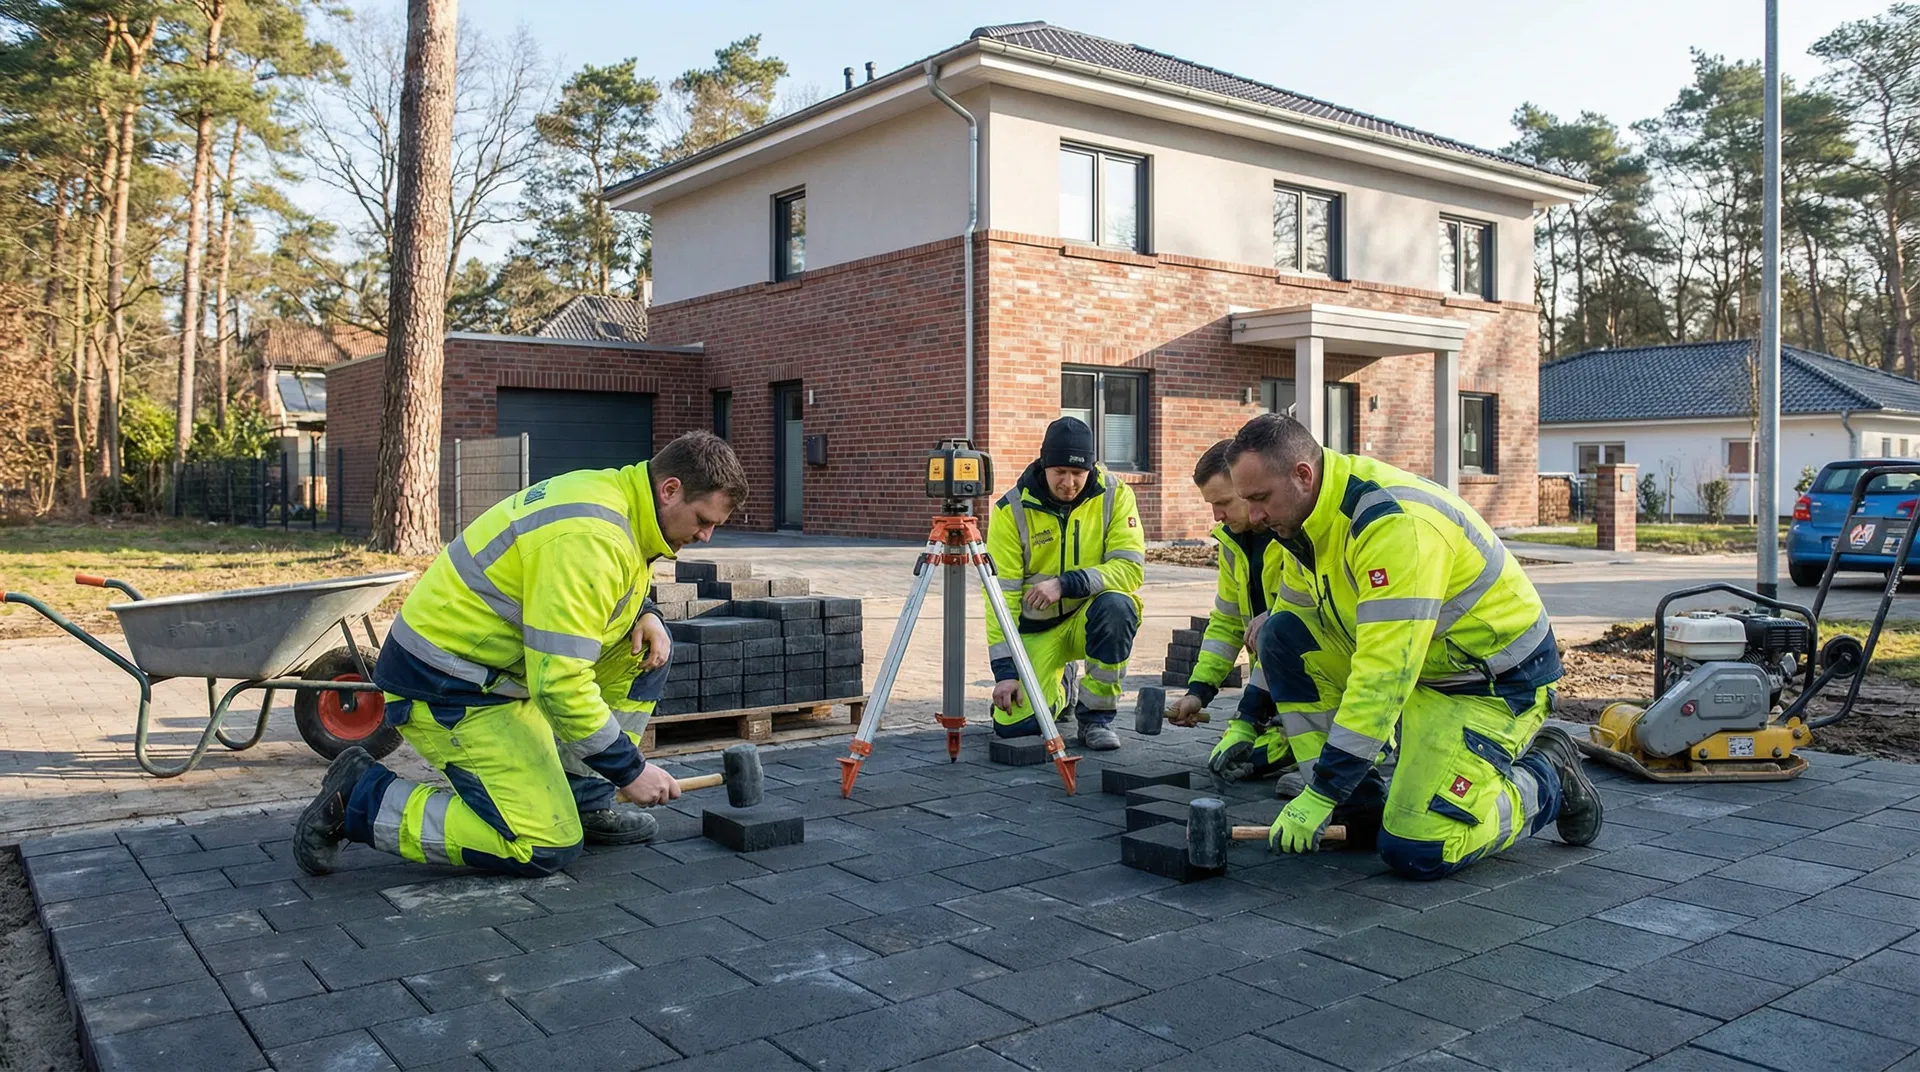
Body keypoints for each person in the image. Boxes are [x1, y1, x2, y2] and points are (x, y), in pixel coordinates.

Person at [292, 431, 749, 877]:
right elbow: (560, 681)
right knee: (545, 845)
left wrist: (643, 611)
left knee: (647, 651)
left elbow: (591, 591)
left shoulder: (621, 499)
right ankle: (360, 799)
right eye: (704, 520)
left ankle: (583, 801)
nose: (707, 535)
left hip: (497, 670)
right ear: (670, 490)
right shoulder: (591, 536)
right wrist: (631, 772)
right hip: (447, 685)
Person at [1226, 414, 1602, 880]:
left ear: (1303, 475)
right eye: (1248, 501)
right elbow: (1296, 629)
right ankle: (1357, 805)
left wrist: (1320, 793)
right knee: (1280, 633)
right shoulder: (1304, 524)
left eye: (1260, 499)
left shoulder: (1392, 525)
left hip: (1490, 684)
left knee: (1417, 848)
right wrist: (1246, 719)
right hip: (1424, 669)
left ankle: (1547, 775)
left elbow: (1384, 672)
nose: (1255, 517)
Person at [985, 417, 1146, 751]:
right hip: (1038, 628)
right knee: (1016, 727)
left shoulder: (1116, 496)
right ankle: (1060, 692)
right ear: (1044, 464)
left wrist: (1066, 583)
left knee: (1119, 606)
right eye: (1060, 472)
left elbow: (1130, 569)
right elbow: (1001, 597)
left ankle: (1096, 719)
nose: (1069, 483)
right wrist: (1006, 671)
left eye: (1078, 473)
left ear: (1091, 468)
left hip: (1090, 618)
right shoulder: (1010, 509)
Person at [1168, 439, 1292, 787]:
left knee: (1281, 627)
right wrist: (1198, 692)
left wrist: (1246, 720)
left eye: (1222, 503)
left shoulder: (1293, 536)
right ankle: (1280, 728)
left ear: (1248, 490)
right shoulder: (1234, 542)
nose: (1216, 516)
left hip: (1322, 691)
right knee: (1232, 758)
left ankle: (1333, 749)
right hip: (1269, 693)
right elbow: (1225, 625)